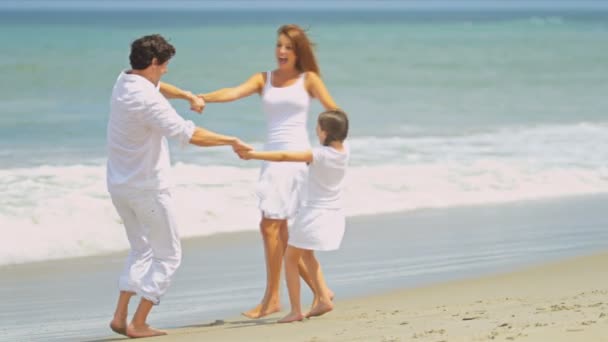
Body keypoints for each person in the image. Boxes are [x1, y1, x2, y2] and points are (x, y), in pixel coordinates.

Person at [180, 23, 339, 319]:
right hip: (271, 157)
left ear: (298, 52)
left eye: (288, 47)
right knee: (283, 230)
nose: (281, 51)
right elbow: (232, 92)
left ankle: (274, 297)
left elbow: (334, 113)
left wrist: (332, 151)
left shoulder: (309, 80)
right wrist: (201, 97)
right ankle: (321, 291)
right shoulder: (263, 78)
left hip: (295, 158)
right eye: (279, 45)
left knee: (271, 227)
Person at [106, 34, 251, 338]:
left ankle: (120, 317)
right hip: (147, 189)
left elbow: (159, 87)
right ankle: (140, 322)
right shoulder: (147, 101)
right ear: (155, 64)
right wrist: (231, 141)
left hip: (119, 184)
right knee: (168, 256)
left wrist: (187, 95)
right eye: (165, 66)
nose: (167, 71)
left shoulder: (125, 80)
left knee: (141, 250)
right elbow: (188, 134)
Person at [237, 109, 349, 323]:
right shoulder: (344, 152)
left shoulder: (320, 154)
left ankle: (296, 310)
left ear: (325, 132)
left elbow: (283, 156)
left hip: (313, 215)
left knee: (290, 258)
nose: (316, 130)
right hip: (333, 214)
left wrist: (253, 155)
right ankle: (324, 297)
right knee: (307, 255)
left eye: (318, 127)